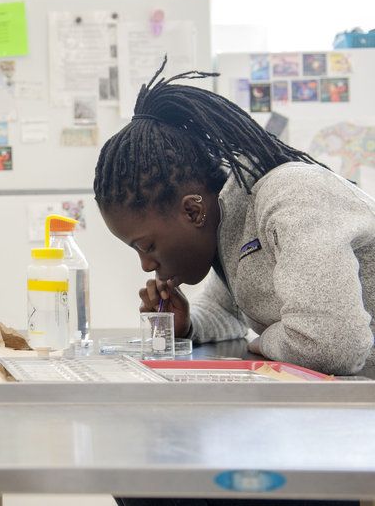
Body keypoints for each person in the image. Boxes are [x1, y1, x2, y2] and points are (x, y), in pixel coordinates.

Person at [94, 58, 375, 378]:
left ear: (192, 211)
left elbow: (330, 344)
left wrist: (262, 340)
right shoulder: (231, 224)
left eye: (147, 246)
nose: (146, 265)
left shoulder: (294, 197)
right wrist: (186, 324)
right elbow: (227, 311)